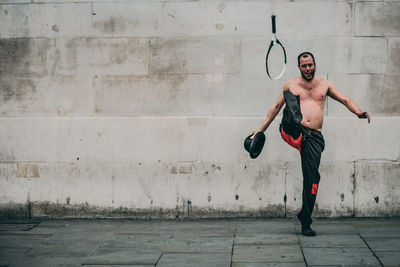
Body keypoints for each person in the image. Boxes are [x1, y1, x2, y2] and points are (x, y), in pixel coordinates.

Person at [251, 52, 370, 236]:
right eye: (304, 66)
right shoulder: (291, 84)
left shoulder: (324, 85)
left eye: (310, 65)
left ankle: (305, 218)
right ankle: (294, 118)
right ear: (299, 67)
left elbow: (345, 99)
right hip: (293, 130)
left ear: (315, 64)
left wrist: (359, 113)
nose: (308, 69)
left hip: (313, 137)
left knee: (312, 178)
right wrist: (261, 130)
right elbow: (275, 107)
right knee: (290, 94)